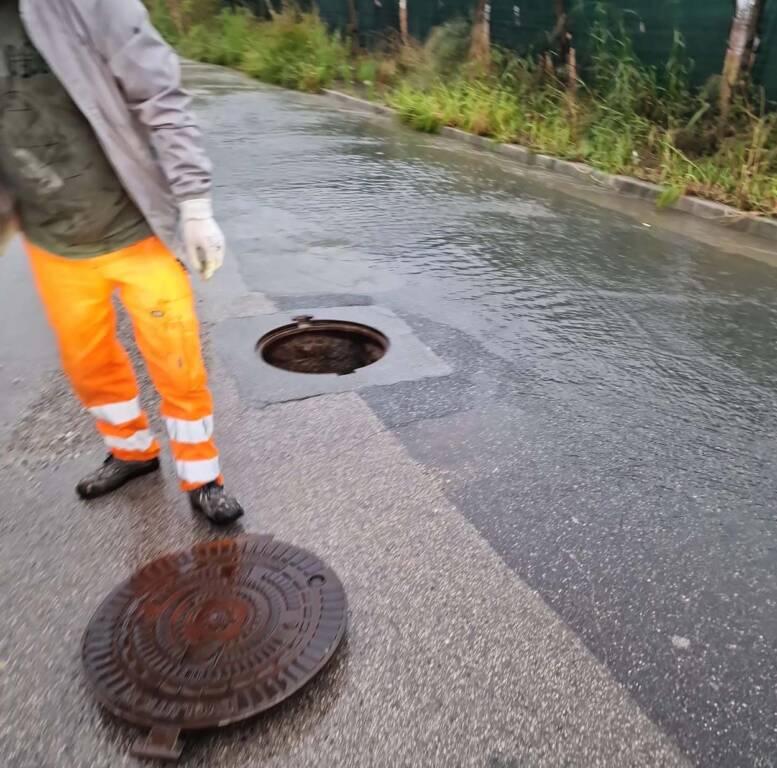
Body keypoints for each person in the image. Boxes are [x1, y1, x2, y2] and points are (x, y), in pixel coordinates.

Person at [0, 0, 244, 525]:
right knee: (88, 363)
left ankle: (202, 474)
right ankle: (132, 451)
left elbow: (160, 93)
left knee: (176, 359)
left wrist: (195, 202)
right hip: (52, 241)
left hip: (137, 230)